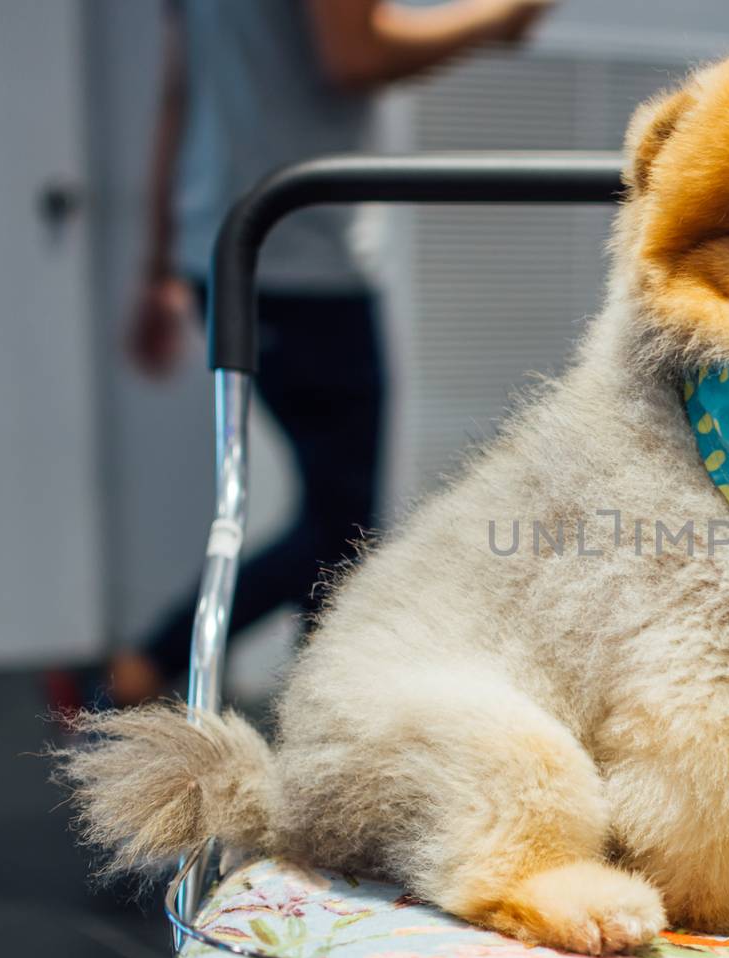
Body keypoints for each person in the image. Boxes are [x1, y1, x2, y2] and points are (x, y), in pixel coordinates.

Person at [109, 0, 556, 706]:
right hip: (298, 249)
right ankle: (151, 666)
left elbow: (178, 91)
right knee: (341, 533)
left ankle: (298, 725)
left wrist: (158, 264)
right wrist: (499, 18)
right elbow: (354, 56)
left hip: (227, 244)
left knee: (336, 529)